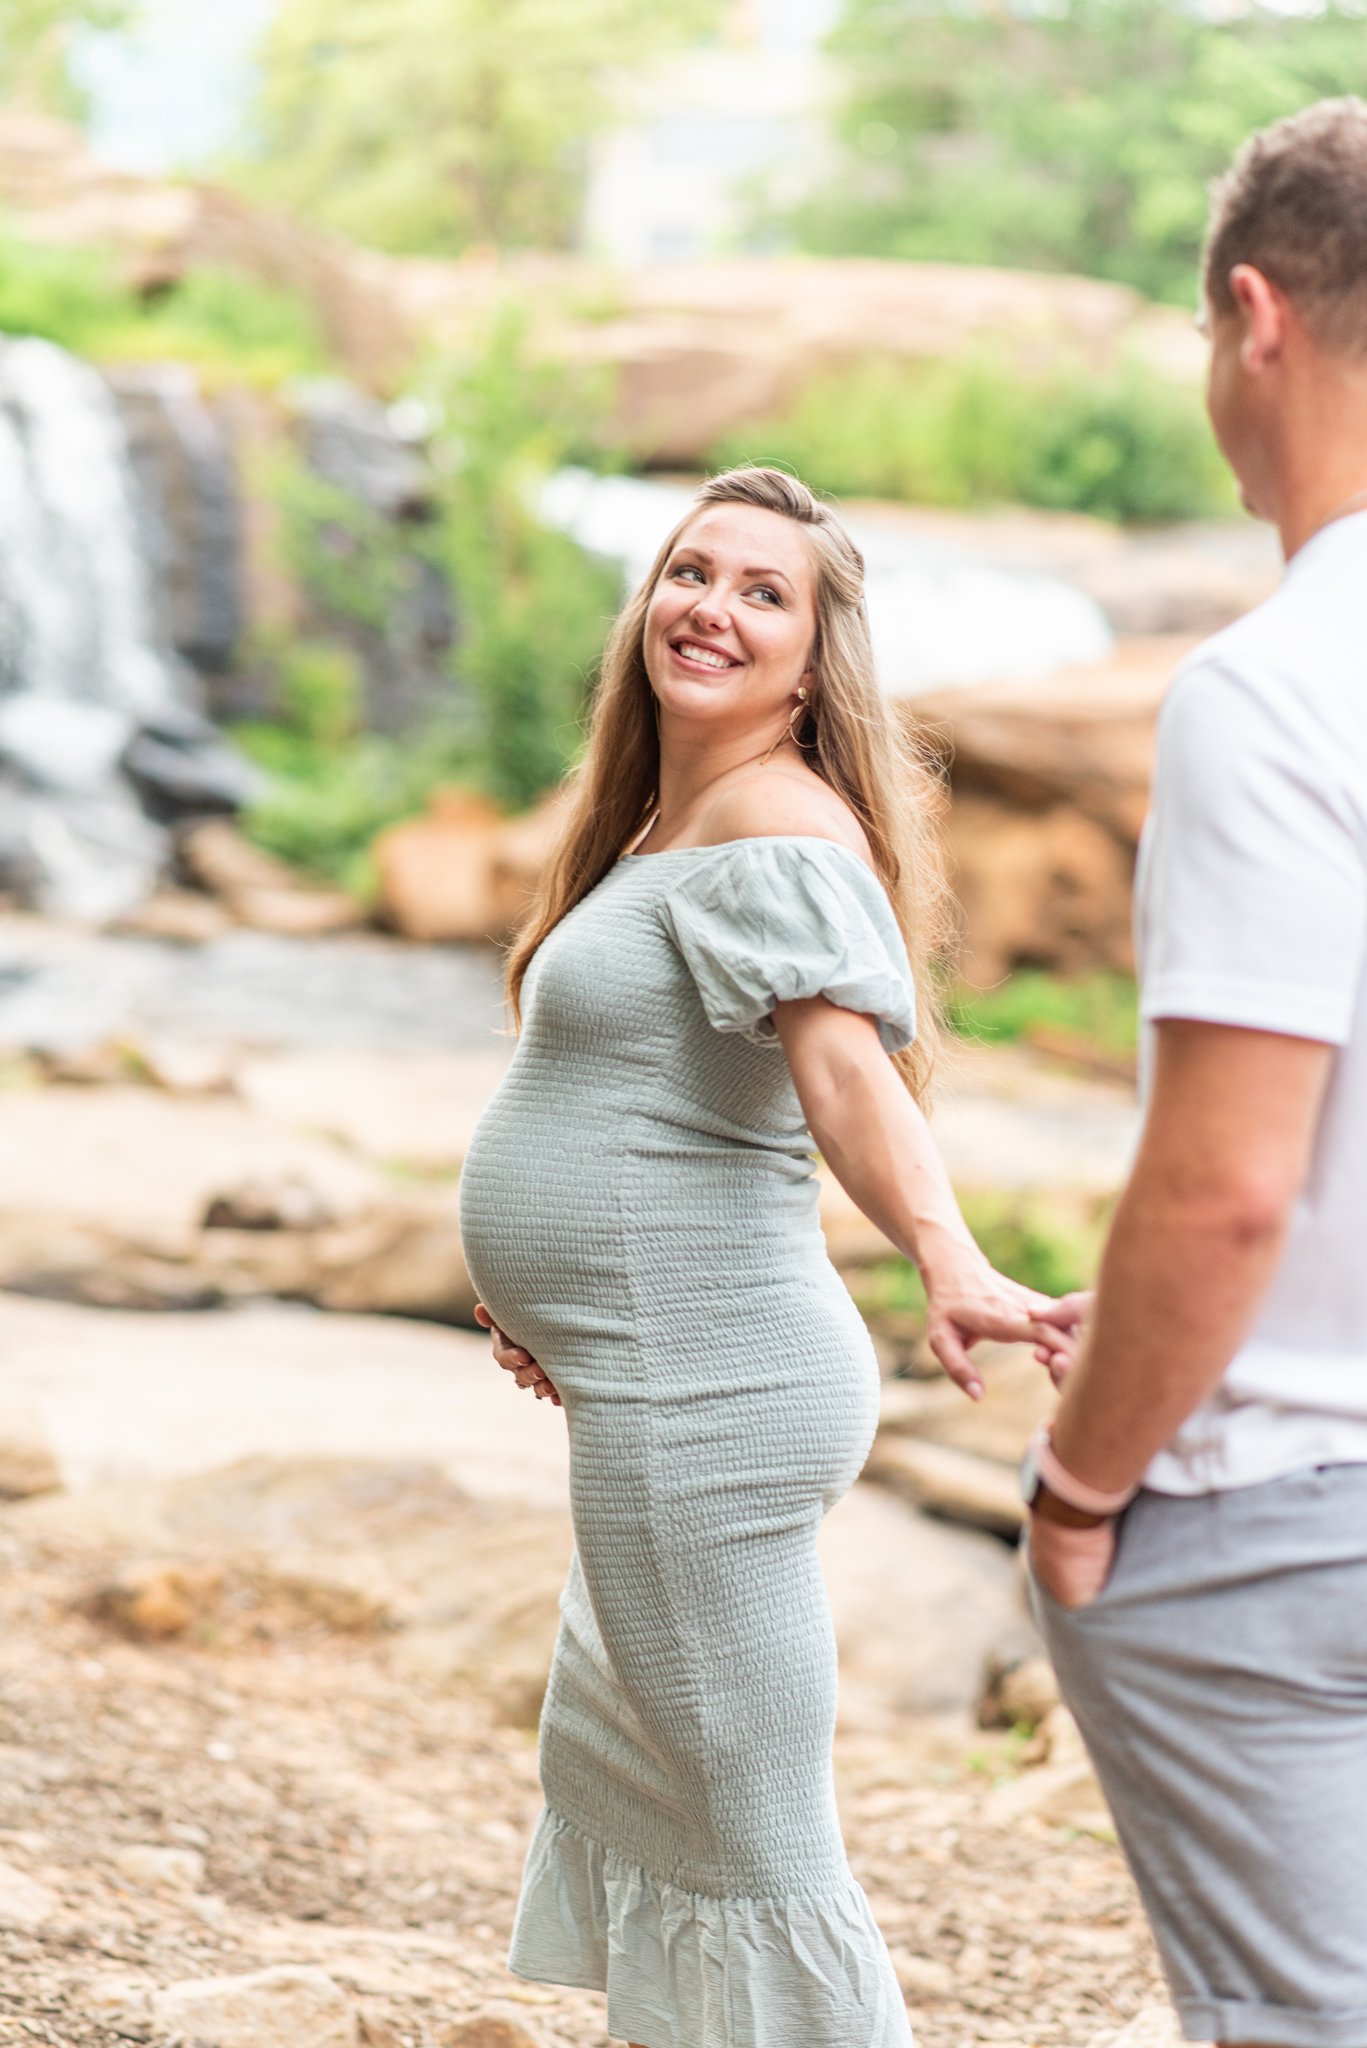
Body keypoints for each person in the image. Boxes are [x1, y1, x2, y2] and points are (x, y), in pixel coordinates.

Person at [461, 465, 1070, 2048]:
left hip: (713, 1384)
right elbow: (633, 1098)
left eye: (762, 593)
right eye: (691, 571)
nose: (712, 608)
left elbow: (846, 1073)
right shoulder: (670, 820)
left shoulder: (773, 822)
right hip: (658, 1369)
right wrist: (558, 1292)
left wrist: (948, 1256)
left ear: (814, 663)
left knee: (757, 1845)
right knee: (649, 1786)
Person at [1025, 97, 1367, 2048]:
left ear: (1255, 316)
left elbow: (1230, 1183)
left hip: (1284, 1521)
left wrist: (1082, 1488)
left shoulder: (1278, 683)